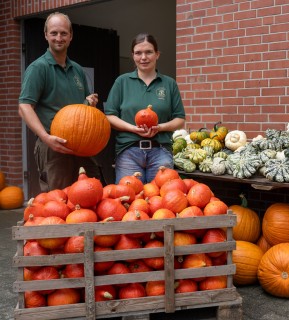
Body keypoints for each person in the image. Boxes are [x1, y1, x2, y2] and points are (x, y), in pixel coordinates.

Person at [18, 12, 101, 192]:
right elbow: (24, 107)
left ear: (71, 36)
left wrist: (90, 102)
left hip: (82, 146)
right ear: (45, 35)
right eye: (54, 33)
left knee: (91, 197)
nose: (59, 37)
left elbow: (83, 108)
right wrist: (47, 138)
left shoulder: (77, 69)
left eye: (63, 33)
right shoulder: (38, 68)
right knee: (58, 200)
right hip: (53, 145)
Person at [104, 33, 185, 184]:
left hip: (160, 151)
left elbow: (180, 119)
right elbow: (110, 116)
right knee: (128, 199)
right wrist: (132, 128)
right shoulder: (122, 82)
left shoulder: (169, 84)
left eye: (148, 52)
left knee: (161, 202)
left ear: (157, 54)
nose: (143, 57)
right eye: (138, 53)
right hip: (128, 152)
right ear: (133, 55)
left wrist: (160, 127)